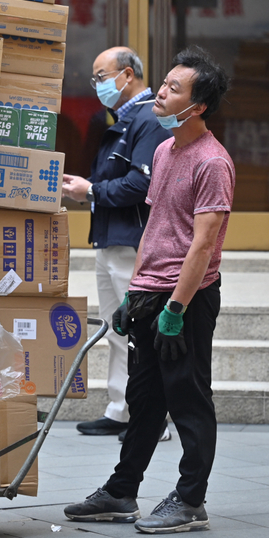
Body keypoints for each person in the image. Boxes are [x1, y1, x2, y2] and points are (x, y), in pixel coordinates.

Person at [63, 46, 233, 534]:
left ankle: (190, 500)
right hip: (149, 294)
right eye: (164, 83)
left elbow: (202, 246)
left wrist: (176, 309)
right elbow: (154, 229)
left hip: (188, 298)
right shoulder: (163, 150)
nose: (161, 92)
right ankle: (121, 492)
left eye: (174, 89)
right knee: (144, 400)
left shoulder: (212, 162)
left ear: (197, 106)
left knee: (188, 398)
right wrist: (133, 295)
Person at [62, 47, 172, 441]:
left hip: (132, 241)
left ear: (128, 75)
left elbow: (142, 184)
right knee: (117, 329)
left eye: (102, 76)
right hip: (110, 239)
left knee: (139, 331)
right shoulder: (121, 121)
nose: (97, 85)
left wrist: (90, 191)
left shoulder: (149, 120)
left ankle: (150, 418)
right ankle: (121, 409)